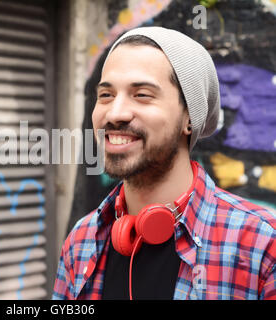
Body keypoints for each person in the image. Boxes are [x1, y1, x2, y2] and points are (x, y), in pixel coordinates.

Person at [52, 27, 275, 300]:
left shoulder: (261, 244)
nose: (115, 113)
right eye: (106, 95)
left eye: (142, 94)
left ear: (189, 118)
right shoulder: (81, 240)